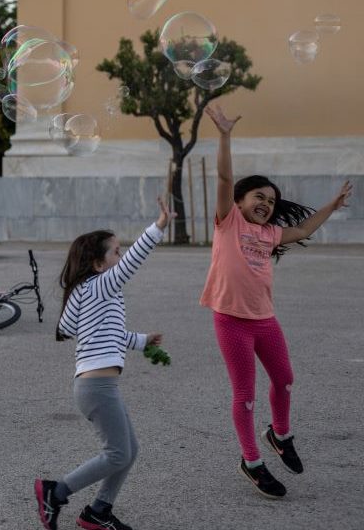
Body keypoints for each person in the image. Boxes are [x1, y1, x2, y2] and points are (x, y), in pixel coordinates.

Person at [199, 105, 353, 499]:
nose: (266, 204)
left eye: (271, 200)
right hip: (231, 321)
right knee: (245, 396)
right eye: (258, 197)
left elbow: (301, 228)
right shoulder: (228, 221)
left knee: (284, 380)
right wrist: (225, 136)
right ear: (239, 200)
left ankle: (280, 435)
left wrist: (332, 207)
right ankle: (251, 461)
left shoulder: (269, 235)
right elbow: (222, 176)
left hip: (265, 320)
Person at [34, 196, 172, 530]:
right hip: (97, 387)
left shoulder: (85, 292)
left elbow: (84, 331)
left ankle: (98, 513)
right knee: (118, 453)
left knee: (129, 450)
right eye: (115, 252)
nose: (121, 256)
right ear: (98, 264)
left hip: (95, 385)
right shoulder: (101, 285)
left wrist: (140, 341)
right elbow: (132, 264)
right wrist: (158, 228)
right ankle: (56, 492)